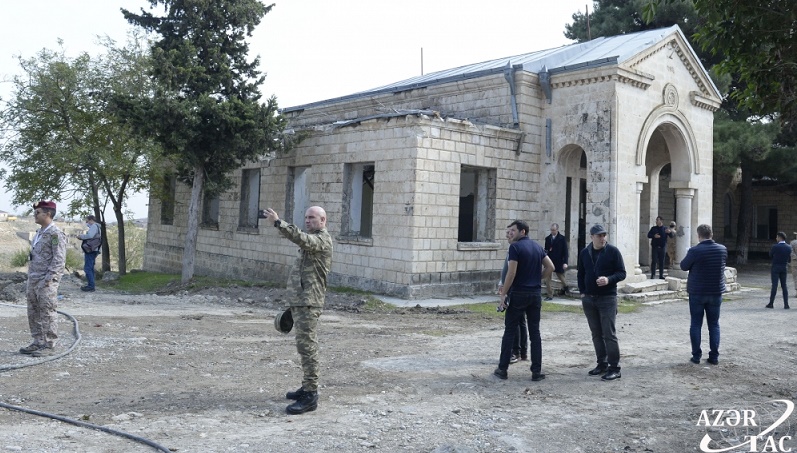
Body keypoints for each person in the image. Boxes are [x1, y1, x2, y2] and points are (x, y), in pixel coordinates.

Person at [264, 206, 333, 415]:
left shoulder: (321, 240)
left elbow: (303, 239)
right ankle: (306, 386)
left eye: (312, 217)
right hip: (301, 301)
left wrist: (279, 223)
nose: (308, 220)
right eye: (306, 217)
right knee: (303, 346)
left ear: (323, 220)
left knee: (307, 347)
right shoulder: (311, 241)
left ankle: (310, 395)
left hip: (310, 303)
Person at [494, 220, 554, 382]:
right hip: (535, 294)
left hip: (519, 293)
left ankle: (502, 369)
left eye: (513, 230)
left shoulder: (515, 248)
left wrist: (503, 294)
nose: (510, 233)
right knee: (535, 333)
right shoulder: (537, 247)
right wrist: (537, 278)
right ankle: (536, 371)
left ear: (523, 232)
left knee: (510, 331)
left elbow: (511, 273)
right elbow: (550, 267)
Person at [577, 225, 627, 381]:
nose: (602, 238)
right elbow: (580, 273)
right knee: (596, 334)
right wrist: (583, 292)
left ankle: (615, 368)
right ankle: (602, 363)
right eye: (599, 235)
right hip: (589, 298)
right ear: (591, 237)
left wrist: (609, 279)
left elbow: (622, 273)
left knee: (609, 334)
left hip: (607, 298)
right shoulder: (585, 253)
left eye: (604, 235)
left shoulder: (613, 251)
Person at [20, 200, 67, 357]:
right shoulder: (39, 233)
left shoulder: (55, 234)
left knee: (47, 311)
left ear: (48, 214)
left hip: (46, 280)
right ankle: (38, 341)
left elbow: (59, 259)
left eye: (38, 212)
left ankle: (49, 344)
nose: (35, 215)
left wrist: (50, 279)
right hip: (33, 278)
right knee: (33, 311)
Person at [680, 224, 727, 365]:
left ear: (698, 235)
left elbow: (683, 266)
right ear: (711, 234)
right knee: (714, 325)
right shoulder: (722, 249)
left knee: (696, 324)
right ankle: (714, 356)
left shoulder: (695, 251)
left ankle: (696, 355)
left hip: (697, 292)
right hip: (715, 291)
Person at [498, 226, 528, 363]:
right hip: (515, 288)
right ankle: (522, 352)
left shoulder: (516, 249)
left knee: (514, 322)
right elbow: (506, 268)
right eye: (507, 232)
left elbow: (512, 272)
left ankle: (516, 352)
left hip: (515, 289)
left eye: (511, 232)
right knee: (521, 321)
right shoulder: (513, 248)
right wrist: (501, 282)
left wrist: (505, 290)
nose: (508, 235)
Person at [544, 223, 569, 301]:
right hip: (549, 260)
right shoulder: (548, 238)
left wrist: (565, 262)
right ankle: (550, 295)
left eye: (554, 230)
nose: (552, 231)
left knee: (560, 276)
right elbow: (546, 250)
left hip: (558, 261)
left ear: (557, 230)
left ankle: (565, 287)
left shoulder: (562, 239)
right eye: (551, 230)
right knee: (547, 278)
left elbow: (565, 251)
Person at [766, 232, 791, 309]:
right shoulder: (789, 247)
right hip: (784, 267)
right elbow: (789, 259)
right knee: (784, 285)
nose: (776, 238)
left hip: (775, 267)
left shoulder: (775, 246)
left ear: (780, 238)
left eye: (777, 237)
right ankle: (786, 304)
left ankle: (771, 303)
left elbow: (770, 255)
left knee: (774, 285)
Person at [77, 215, 101, 292]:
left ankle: (91, 286)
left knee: (87, 268)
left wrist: (81, 236)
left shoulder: (94, 226)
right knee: (91, 268)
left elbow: (90, 235)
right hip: (95, 249)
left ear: (91, 220)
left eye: (87, 221)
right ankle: (91, 284)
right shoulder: (98, 227)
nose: (87, 223)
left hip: (91, 249)